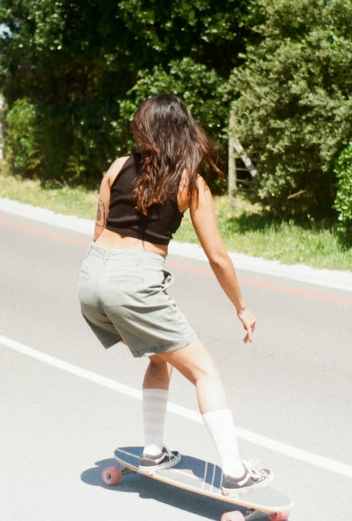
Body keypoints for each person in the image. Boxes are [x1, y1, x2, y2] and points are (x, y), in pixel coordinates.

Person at [78, 95, 272, 494]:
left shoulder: (117, 168)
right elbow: (217, 257)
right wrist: (242, 306)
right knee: (204, 372)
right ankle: (235, 473)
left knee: (159, 356)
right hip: (134, 282)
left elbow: (98, 233)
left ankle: (153, 450)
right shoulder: (190, 183)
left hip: (92, 276)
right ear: (183, 130)